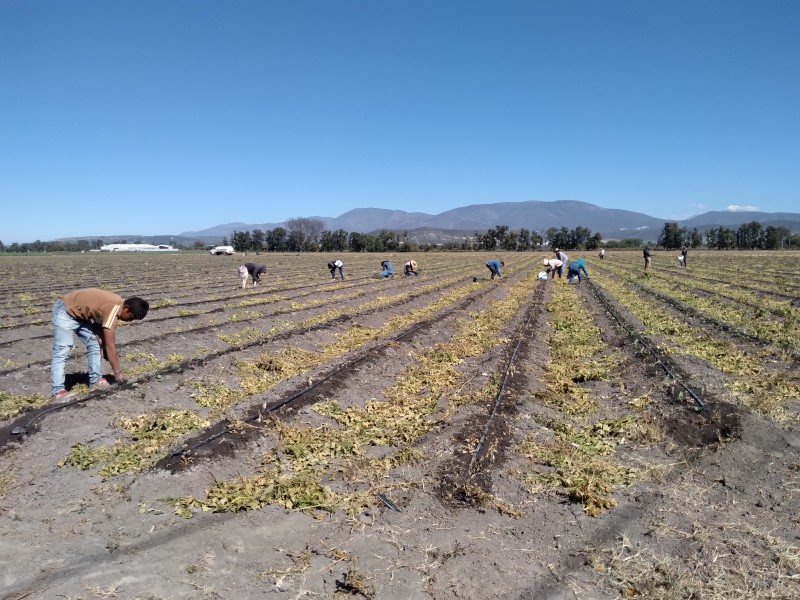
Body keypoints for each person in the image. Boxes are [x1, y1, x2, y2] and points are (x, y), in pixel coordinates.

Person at [51, 288, 149, 401]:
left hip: (81, 316)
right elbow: (110, 344)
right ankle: (57, 391)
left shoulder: (115, 306)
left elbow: (98, 326)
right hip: (66, 310)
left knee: (94, 345)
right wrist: (118, 373)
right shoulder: (114, 308)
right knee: (63, 349)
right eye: (131, 317)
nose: (130, 321)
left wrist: (102, 346)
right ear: (126, 308)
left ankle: (95, 381)